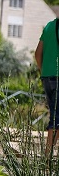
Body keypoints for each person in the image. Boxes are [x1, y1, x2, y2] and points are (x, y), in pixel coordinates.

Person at [35, 16, 59, 152]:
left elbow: (38, 54)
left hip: (47, 76)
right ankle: (47, 156)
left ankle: (49, 155)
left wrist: (43, 71)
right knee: (56, 118)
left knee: (55, 115)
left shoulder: (50, 26)